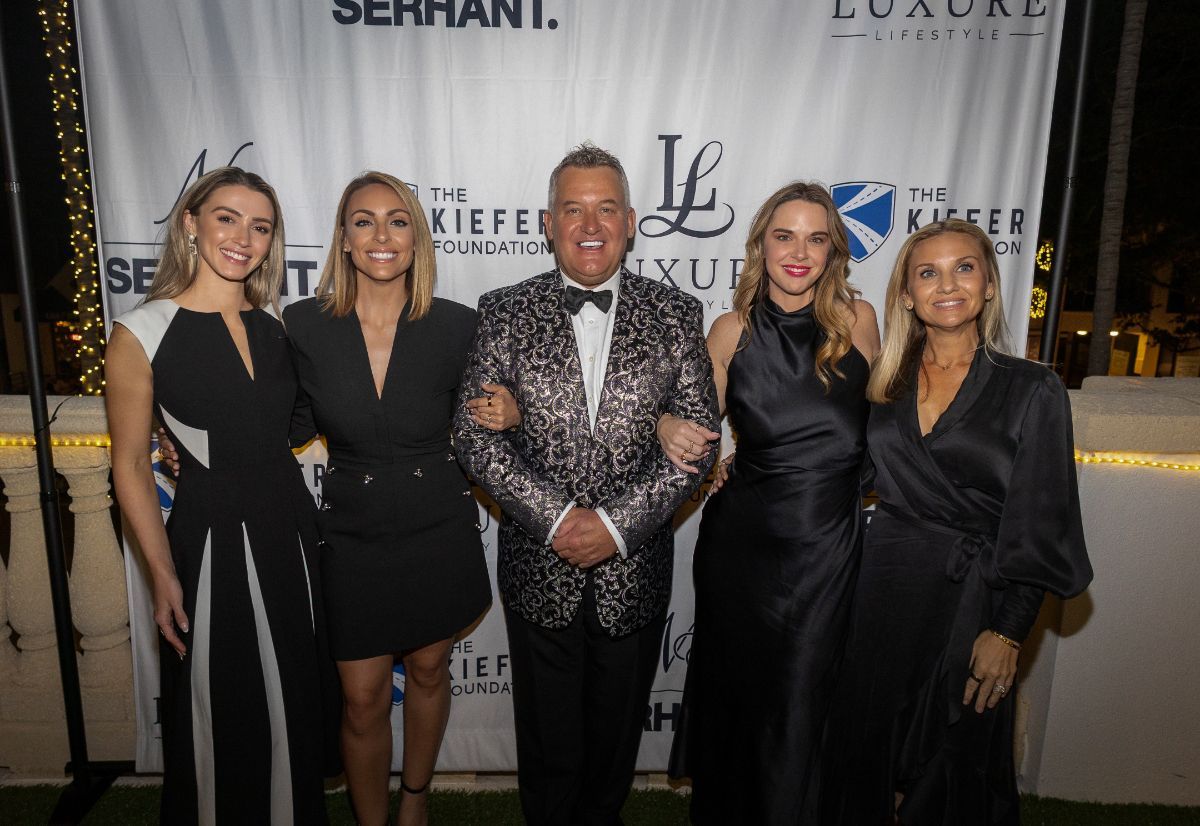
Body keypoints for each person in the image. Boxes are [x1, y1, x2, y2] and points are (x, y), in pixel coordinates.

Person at [453, 143, 718, 826]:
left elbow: (698, 440)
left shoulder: (677, 314)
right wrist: (556, 519)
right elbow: (474, 437)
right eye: (573, 209)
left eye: (606, 209)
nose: (590, 224)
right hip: (539, 566)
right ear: (548, 223)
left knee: (613, 747)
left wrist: (614, 527)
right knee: (547, 750)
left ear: (630, 221)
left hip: (635, 569)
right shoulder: (504, 310)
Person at [820, 219, 1093, 825]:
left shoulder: (1033, 388)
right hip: (882, 590)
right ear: (907, 294)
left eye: (963, 268)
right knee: (866, 745)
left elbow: (1040, 521)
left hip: (976, 596)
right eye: (928, 273)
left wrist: (1010, 631)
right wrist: (753, 468)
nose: (947, 285)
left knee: (956, 755)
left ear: (989, 284)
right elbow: (844, 473)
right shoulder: (883, 383)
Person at [106, 167, 341, 825]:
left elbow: (290, 423)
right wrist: (161, 574)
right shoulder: (140, 332)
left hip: (291, 531)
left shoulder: (277, 329)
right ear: (191, 223)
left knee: (292, 693)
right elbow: (130, 465)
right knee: (219, 701)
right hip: (209, 537)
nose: (243, 237)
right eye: (227, 218)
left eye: (260, 226)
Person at [283, 171, 515, 826]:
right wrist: (190, 443)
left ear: (416, 239)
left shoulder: (458, 325)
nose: (381, 234)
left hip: (436, 521)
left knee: (430, 670)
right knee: (360, 698)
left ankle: (414, 801)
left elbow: (490, 416)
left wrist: (513, 411)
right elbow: (281, 423)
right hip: (351, 531)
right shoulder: (302, 324)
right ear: (344, 239)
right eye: (364, 220)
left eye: (397, 220)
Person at [658, 181, 880, 823]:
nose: (799, 253)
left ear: (833, 250)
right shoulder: (731, 331)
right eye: (785, 236)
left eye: (816, 239)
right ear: (761, 245)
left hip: (828, 545)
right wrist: (672, 432)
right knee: (742, 693)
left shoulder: (859, 322)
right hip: (742, 548)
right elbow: (690, 423)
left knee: (805, 693)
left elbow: (884, 428)